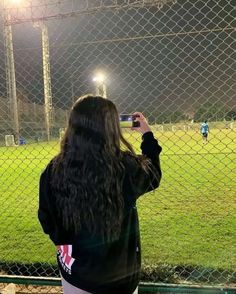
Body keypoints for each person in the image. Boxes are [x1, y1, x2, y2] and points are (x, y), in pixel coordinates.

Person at [38, 95, 162, 294]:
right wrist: (147, 135)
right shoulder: (126, 167)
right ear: (112, 127)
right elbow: (153, 174)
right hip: (120, 279)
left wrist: (66, 243)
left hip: (75, 272)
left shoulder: (54, 169)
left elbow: (46, 217)